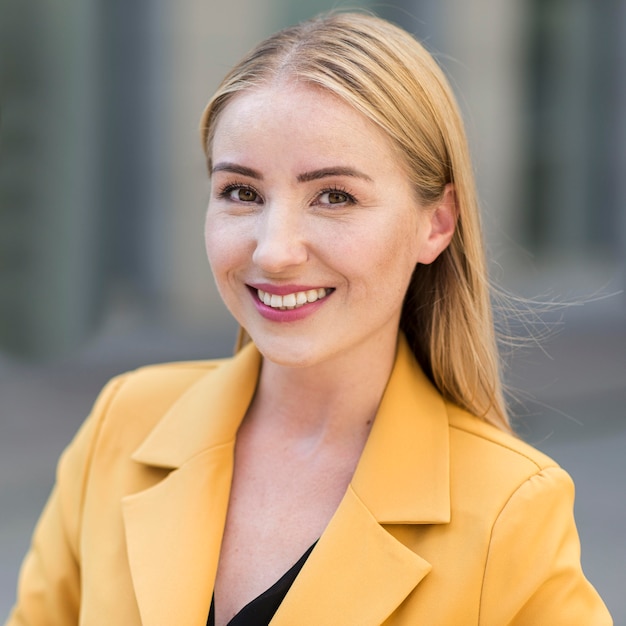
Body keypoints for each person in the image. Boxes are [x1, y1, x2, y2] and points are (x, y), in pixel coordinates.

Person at [7, 11, 612, 626]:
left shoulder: (509, 508)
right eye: (241, 192)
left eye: (334, 196)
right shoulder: (124, 424)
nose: (273, 250)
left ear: (437, 223)